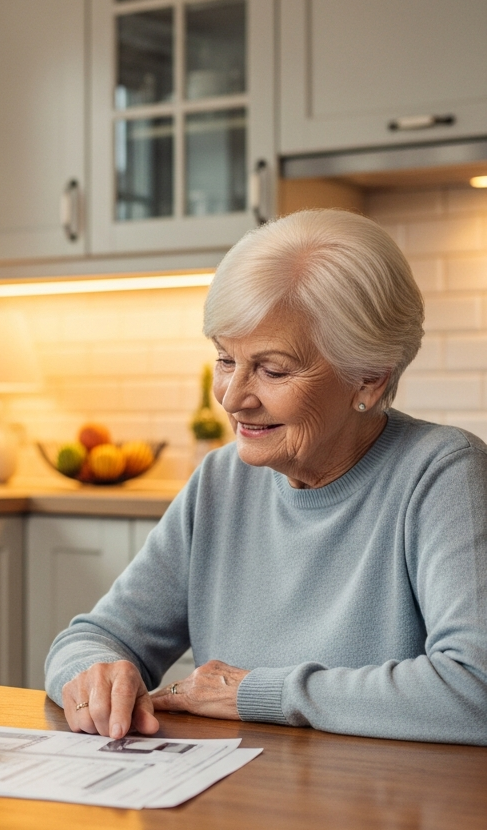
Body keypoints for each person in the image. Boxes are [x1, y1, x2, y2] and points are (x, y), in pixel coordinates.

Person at [47, 209, 487, 745]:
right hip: (239, 801)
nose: (233, 398)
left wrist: (259, 692)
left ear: (369, 378)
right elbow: (95, 637)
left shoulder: (442, 474)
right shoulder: (220, 480)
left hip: (383, 809)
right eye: (226, 360)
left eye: (273, 370)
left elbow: (475, 687)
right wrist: (92, 672)